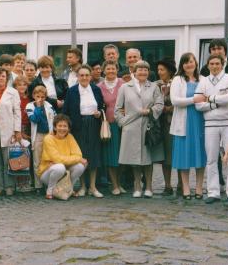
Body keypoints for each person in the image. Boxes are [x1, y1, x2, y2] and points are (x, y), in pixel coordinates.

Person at [115, 61, 164, 198]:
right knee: (134, 159)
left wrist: (149, 111)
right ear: (134, 72)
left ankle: (148, 186)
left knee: (148, 158)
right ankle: (137, 185)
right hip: (131, 127)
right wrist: (122, 122)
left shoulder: (154, 87)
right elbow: (118, 109)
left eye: (145, 70)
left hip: (148, 126)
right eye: (140, 70)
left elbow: (160, 104)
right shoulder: (125, 87)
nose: (142, 72)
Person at [195, 55, 228, 204]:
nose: (214, 66)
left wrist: (210, 98)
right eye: (211, 63)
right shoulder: (203, 81)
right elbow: (198, 104)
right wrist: (217, 101)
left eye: (217, 63)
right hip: (210, 123)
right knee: (211, 159)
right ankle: (213, 192)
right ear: (208, 64)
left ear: (222, 64)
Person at [63, 65, 105, 198]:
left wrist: (99, 113)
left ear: (91, 76)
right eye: (82, 75)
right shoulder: (72, 91)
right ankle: (82, 186)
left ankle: (92, 187)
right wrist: (66, 129)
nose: (84, 77)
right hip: (78, 126)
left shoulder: (96, 89)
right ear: (78, 77)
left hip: (93, 124)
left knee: (94, 155)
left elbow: (102, 105)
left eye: (87, 75)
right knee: (81, 156)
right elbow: (66, 111)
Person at [170, 53, 207, 200]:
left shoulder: (203, 79)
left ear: (196, 63)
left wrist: (201, 100)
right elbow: (174, 100)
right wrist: (194, 99)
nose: (188, 65)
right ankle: (185, 188)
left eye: (191, 62)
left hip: (200, 121)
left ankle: (199, 187)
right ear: (182, 65)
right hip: (183, 122)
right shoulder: (177, 80)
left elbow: (207, 97)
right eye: (185, 62)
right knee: (183, 156)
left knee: (200, 155)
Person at [38, 114, 87, 199]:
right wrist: (77, 159)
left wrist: (76, 159)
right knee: (59, 167)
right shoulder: (48, 138)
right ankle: (50, 190)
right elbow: (57, 158)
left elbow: (78, 154)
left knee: (80, 166)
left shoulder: (70, 137)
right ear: (55, 127)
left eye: (65, 126)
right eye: (59, 126)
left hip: (64, 170)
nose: (62, 128)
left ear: (68, 129)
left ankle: (68, 189)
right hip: (47, 172)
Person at [0, 67, 22, 196]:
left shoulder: (12, 92)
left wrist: (17, 130)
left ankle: (9, 186)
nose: (0, 78)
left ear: (7, 78)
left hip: (8, 129)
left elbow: (17, 111)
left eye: (3, 76)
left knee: (7, 159)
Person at [97, 60, 124, 195]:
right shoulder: (99, 86)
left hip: (123, 123)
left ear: (117, 69)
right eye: (108, 69)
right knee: (111, 156)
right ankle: (114, 185)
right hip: (108, 124)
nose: (111, 71)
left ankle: (119, 182)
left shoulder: (123, 84)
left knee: (122, 156)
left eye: (113, 68)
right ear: (104, 70)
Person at [155, 57, 181, 196]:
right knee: (166, 156)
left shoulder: (178, 82)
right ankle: (167, 185)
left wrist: (170, 108)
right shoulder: (155, 85)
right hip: (162, 124)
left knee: (178, 154)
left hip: (176, 122)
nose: (159, 72)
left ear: (170, 71)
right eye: (158, 69)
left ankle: (182, 184)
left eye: (162, 69)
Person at [26, 85, 55, 191]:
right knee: (37, 161)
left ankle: (48, 183)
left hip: (49, 135)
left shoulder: (49, 105)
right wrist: (38, 107)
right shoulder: (30, 106)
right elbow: (34, 119)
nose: (40, 99)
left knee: (48, 159)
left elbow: (54, 119)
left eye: (43, 97)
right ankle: (38, 185)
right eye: (38, 96)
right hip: (37, 135)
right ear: (33, 95)